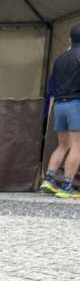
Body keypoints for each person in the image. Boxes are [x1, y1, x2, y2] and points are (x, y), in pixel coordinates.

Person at [41, 24, 80, 199]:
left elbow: (52, 84)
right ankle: (67, 186)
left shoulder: (60, 58)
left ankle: (48, 180)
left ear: (70, 39)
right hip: (75, 104)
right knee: (77, 146)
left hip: (59, 105)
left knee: (63, 145)